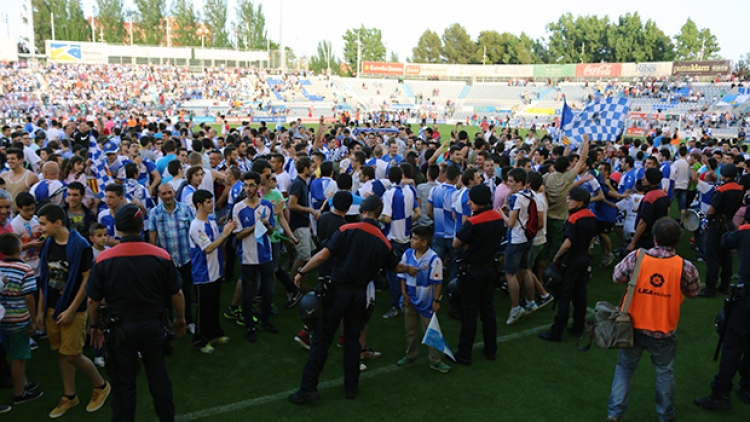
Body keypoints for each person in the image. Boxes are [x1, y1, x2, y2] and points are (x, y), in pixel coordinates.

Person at [288, 195, 417, 404]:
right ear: (378, 212)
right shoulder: (383, 241)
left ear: (363, 211)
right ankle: (351, 387)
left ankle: (308, 388)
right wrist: (411, 269)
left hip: (337, 291)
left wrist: (302, 272)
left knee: (322, 340)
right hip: (359, 295)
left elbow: (322, 256)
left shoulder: (347, 230)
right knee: (352, 340)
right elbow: (395, 267)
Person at [86, 203, 187, 422]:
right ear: (142, 226)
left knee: (124, 385)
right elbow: (176, 293)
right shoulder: (161, 255)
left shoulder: (103, 259)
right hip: (153, 326)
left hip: (120, 329)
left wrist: (95, 327)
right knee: (159, 378)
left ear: (118, 229)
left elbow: (93, 300)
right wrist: (180, 318)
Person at [606, 218, 700, 422]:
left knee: (625, 368)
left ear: (655, 238)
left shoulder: (637, 257)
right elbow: (693, 292)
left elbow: (617, 277)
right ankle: (665, 414)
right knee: (664, 372)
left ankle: (614, 413)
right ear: (676, 240)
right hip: (664, 330)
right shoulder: (685, 266)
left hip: (632, 326)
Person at [35, 204, 110, 418]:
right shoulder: (48, 244)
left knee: (73, 354)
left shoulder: (81, 245)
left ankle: (101, 385)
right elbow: (46, 279)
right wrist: (40, 311)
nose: (39, 227)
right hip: (52, 307)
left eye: (42, 223)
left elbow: (87, 279)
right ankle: (70, 396)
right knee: (63, 352)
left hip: (72, 310)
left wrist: (71, 310)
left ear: (57, 223)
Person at [694, 222, 750, 410]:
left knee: (732, 345)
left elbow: (726, 240)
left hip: (746, 299)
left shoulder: (746, 231)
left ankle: (721, 392)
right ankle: (747, 385)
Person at [539, 187, 598, 342]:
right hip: (584, 258)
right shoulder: (592, 216)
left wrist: (557, 257)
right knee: (580, 293)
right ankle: (578, 327)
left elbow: (567, 243)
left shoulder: (574, 218)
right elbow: (591, 239)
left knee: (565, 295)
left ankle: (557, 331)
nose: (568, 201)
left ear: (579, 201)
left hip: (571, 260)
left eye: (571, 199)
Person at [452, 185, 504, 364]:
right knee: (488, 311)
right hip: (490, 269)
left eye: (471, 200)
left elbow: (456, 243)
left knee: (469, 313)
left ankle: (464, 353)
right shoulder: (498, 218)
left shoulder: (473, 222)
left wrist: (469, 243)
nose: (469, 203)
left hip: (472, 271)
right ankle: (491, 349)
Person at [395, 224, 450, 372]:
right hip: (410, 299)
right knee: (410, 330)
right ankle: (411, 354)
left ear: (424, 242)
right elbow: (402, 276)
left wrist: (436, 301)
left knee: (431, 330)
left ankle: (435, 360)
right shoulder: (407, 254)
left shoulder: (434, 259)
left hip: (426, 302)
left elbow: (438, 283)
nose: (411, 241)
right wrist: (404, 294)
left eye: (414, 239)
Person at [233, 172, 278, 342]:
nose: (248, 189)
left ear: (258, 187)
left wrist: (266, 225)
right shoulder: (238, 208)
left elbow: (272, 230)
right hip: (247, 257)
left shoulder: (266, 206)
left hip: (265, 255)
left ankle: (265, 321)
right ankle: (249, 327)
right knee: (247, 292)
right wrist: (254, 226)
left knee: (269, 291)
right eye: (246, 185)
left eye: (252, 185)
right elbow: (237, 235)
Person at [189, 190, 235, 352]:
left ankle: (215, 334)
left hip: (215, 272)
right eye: (208, 202)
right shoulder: (196, 226)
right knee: (204, 310)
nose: (212, 204)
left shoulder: (212, 222)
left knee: (214, 306)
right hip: (203, 275)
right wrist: (225, 234)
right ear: (199, 205)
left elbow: (218, 244)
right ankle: (200, 341)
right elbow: (208, 248)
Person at [0, 233, 43, 407]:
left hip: (3, 319)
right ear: (20, 249)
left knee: (15, 354)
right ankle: (19, 393)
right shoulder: (25, 269)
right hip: (19, 319)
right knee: (19, 357)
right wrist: (33, 320)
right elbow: (29, 298)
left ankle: (23, 383)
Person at [148, 183, 196, 334]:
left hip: (184, 258)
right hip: (165, 262)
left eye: (170, 192)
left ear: (174, 192)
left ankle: (188, 321)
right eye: (164, 194)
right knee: (166, 295)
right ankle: (168, 324)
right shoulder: (155, 213)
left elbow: (193, 231)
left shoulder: (186, 209)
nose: (168, 196)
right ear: (159, 196)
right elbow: (152, 237)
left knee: (186, 292)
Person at [699, 164, 744, 297]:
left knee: (712, 256)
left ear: (723, 175)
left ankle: (710, 287)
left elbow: (712, 210)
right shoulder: (739, 190)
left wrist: (707, 219)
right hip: (729, 224)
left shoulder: (721, 190)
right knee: (726, 256)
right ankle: (724, 285)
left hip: (717, 225)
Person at [627, 168, 670, 251]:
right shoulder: (663, 194)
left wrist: (633, 243)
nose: (642, 179)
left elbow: (643, 222)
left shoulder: (649, 198)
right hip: (658, 234)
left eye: (645, 177)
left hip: (646, 237)